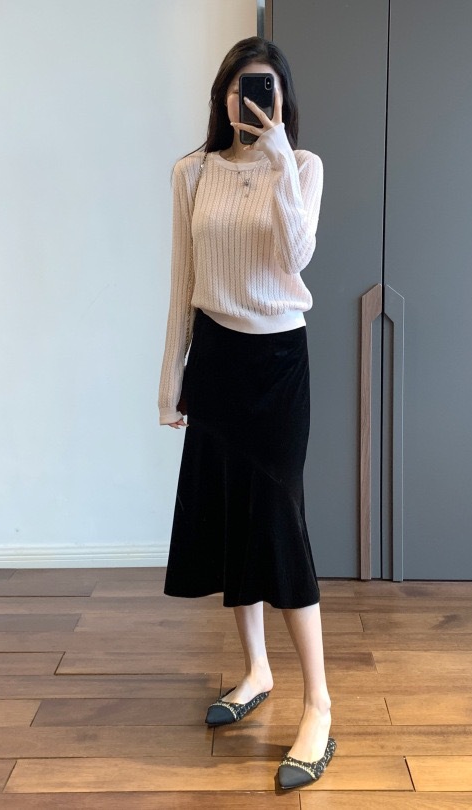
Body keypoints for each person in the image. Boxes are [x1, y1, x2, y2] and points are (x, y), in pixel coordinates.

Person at [157, 36, 333, 789]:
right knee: (233, 518)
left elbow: (297, 256)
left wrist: (279, 156)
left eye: (262, 88)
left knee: (280, 524)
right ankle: (257, 669)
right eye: (237, 87)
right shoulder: (192, 172)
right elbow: (183, 280)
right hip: (217, 362)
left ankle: (319, 704)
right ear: (221, 96)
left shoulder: (304, 167)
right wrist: (171, 379)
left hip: (279, 364)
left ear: (282, 97)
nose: (248, 100)